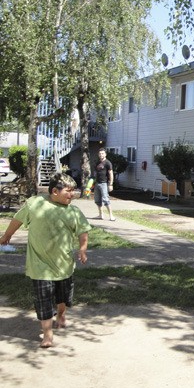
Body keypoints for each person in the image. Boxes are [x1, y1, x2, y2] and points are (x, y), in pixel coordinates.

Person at [0, 173, 91, 348]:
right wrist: (6, 236)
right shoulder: (35, 204)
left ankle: (61, 314)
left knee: (63, 298)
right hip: (39, 265)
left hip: (63, 264)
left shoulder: (73, 211)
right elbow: (17, 219)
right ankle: (48, 335)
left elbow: (83, 232)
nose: (72, 194)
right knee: (43, 299)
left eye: (74, 191)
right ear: (55, 191)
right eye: (68, 191)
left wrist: (82, 248)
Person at [93, 148, 115, 221]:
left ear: (105, 154)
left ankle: (111, 216)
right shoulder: (97, 162)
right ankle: (100, 215)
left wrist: (111, 184)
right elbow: (95, 173)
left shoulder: (108, 163)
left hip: (104, 184)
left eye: (102, 153)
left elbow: (111, 173)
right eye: (100, 153)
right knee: (97, 200)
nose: (101, 155)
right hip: (97, 183)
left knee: (106, 199)